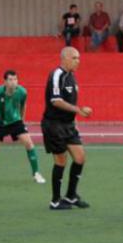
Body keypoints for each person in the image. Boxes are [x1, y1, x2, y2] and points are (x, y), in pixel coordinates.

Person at [41, 47, 93, 210]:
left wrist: (76, 116)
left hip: (68, 125)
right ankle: (55, 200)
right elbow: (55, 101)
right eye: (75, 58)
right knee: (61, 161)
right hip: (54, 125)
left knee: (80, 158)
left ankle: (71, 196)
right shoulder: (56, 75)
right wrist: (78, 109)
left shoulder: (72, 76)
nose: (78, 61)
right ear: (65, 58)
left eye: (78, 58)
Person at [0, 70, 45, 184]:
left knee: (29, 143)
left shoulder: (22, 92)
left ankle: (36, 173)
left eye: (15, 79)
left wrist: (22, 120)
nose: (13, 82)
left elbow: (23, 105)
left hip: (15, 121)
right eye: (10, 80)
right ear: (5, 82)